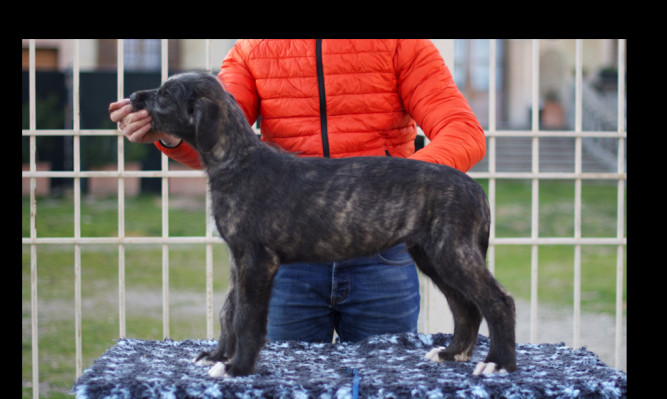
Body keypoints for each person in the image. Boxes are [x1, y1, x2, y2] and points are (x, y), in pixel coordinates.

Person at [109, 39, 486, 344]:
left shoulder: (402, 44)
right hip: (289, 259)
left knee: (384, 389)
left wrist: (394, 187)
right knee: (286, 393)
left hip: (381, 250)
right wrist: (173, 135)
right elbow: (219, 140)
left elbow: (463, 132)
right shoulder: (251, 49)